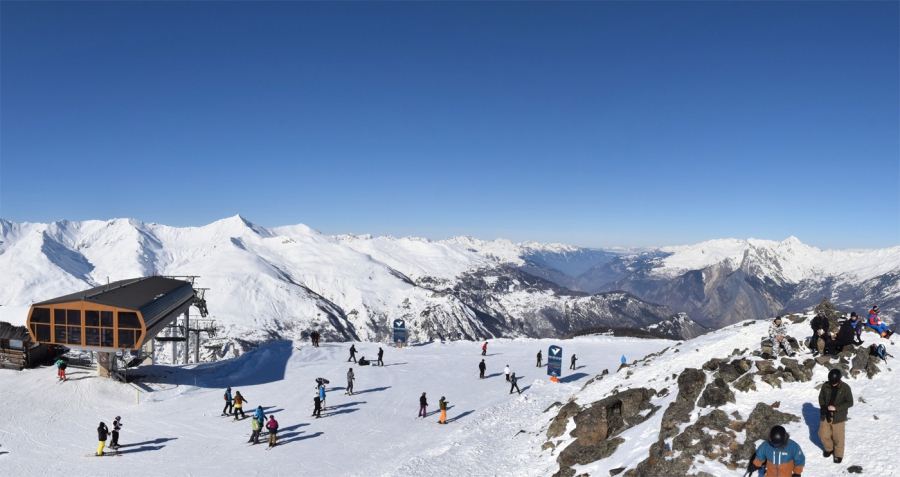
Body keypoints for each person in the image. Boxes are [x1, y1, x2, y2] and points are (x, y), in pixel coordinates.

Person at [818, 368, 853, 464]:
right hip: (826, 414)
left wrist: (836, 408)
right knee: (822, 434)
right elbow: (821, 397)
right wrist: (823, 406)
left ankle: (838, 455)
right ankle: (829, 449)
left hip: (839, 416)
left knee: (838, 437)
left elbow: (850, 402)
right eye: (832, 381)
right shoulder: (825, 386)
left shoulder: (845, 388)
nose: (833, 383)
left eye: (835, 382)